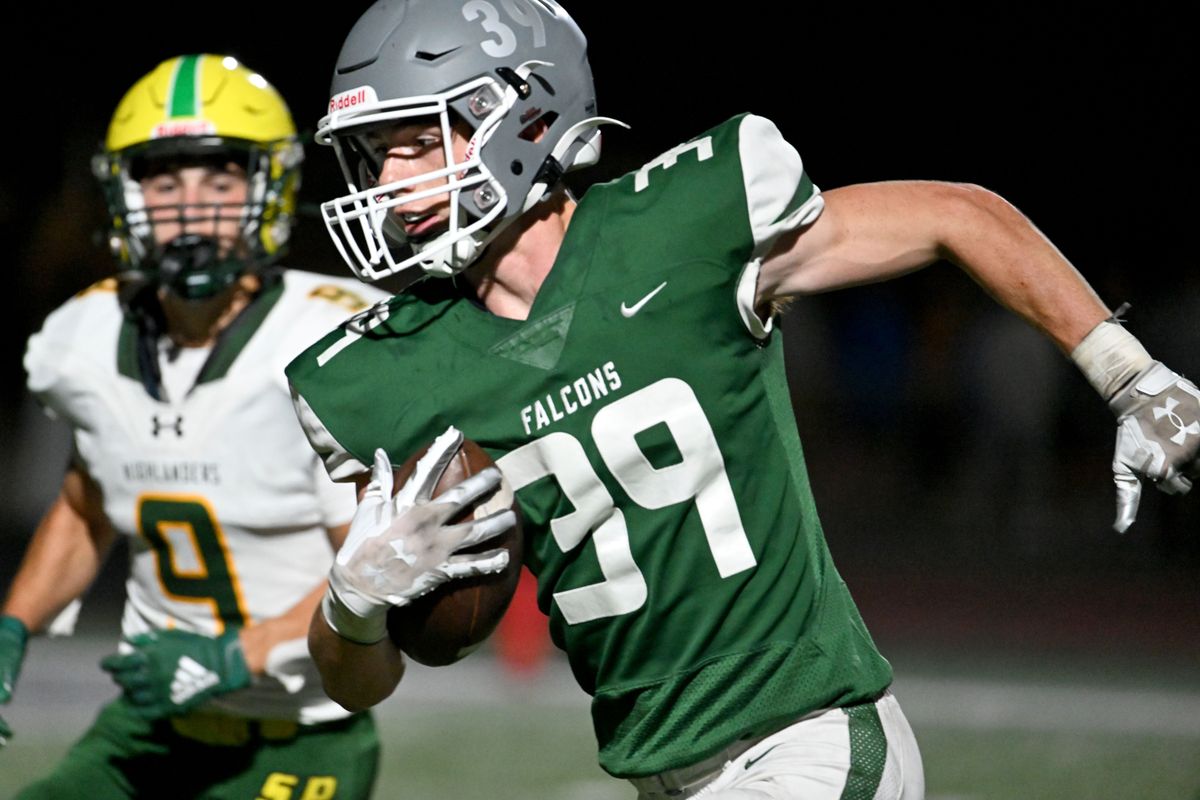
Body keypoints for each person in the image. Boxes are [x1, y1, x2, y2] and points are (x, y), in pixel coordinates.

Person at [285, 2, 1200, 798]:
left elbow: (954, 213)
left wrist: (1131, 375)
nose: (392, 184)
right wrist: (352, 606)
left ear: (518, 117)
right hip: (663, 772)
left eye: (416, 142)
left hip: (810, 736)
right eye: (374, 155)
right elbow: (361, 681)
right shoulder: (383, 371)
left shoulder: (685, 224)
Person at [0, 54, 388, 799]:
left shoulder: (325, 342)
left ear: (267, 188)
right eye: (165, 180)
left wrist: (237, 656)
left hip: (300, 738)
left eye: (220, 180)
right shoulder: (85, 333)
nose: (191, 206)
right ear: (126, 193)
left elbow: (378, 568)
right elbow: (86, 504)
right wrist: (15, 624)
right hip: (149, 729)